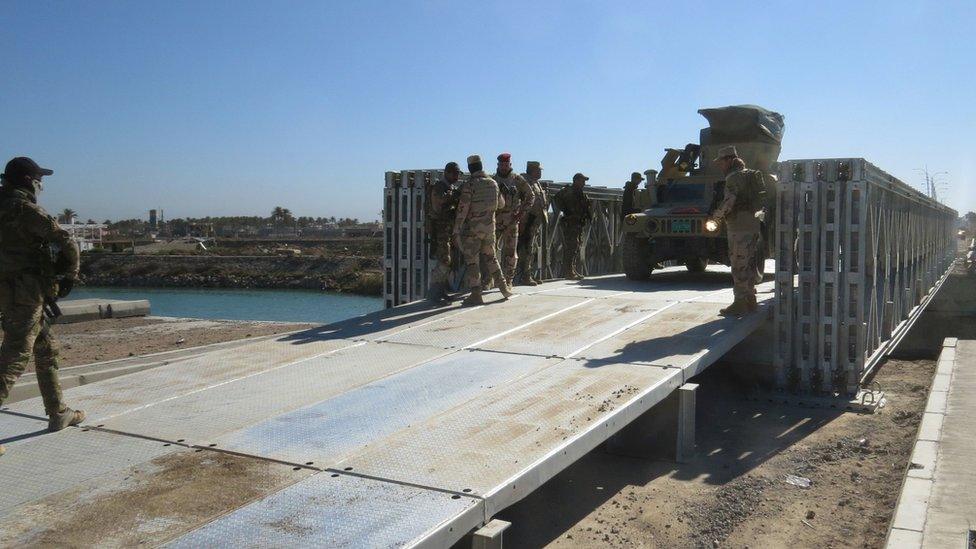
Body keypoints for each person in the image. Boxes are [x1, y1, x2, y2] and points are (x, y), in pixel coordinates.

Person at [0, 157, 85, 457]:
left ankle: (57, 411)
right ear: (28, 181)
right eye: (39, 180)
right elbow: (66, 241)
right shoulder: (25, 209)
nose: (41, 185)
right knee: (16, 353)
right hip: (26, 292)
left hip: (7, 290)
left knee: (45, 347)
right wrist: (70, 275)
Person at [708, 145, 764, 315]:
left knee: (739, 265)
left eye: (721, 162)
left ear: (729, 160)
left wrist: (716, 217)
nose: (720, 165)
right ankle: (750, 300)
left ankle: (740, 303)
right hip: (753, 225)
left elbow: (729, 201)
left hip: (739, 227)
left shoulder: (733, 177)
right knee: (749, 263)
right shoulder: (750, 175)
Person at [453, 155, 513, 306]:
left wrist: (456, 230)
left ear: (470, 168)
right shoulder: (493, 183)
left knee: (472, 261)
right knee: (491, 258)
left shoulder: (470, 185)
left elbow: (462, 210)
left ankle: (476, 294)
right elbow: (501, 204)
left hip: (473, 230)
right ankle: (504, 288)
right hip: (489, 228)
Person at [493, 153, 534, 288]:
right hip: (495, 221)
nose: (504, 167)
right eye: (502, 165)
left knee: (511, 253)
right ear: (498, 165)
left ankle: (508, 280)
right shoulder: (493, 181)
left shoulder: (517, 180)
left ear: (510, 165)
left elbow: (530, 196)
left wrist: (522, 213)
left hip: (512, 221)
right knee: (490, 252)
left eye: (506, 165)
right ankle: (490, 280)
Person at [426, 162, 461, 303]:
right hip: (440, 230)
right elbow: (439, 204)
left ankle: (440, 291)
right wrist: (456, 195)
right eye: (454, 173)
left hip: (447, 230)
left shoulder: (449, 187)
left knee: (448, 261)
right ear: (447, 173)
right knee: (444, 261)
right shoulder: (440, 187)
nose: (457, 176)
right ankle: (434, 293)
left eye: (458, 173)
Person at [552, 173, 592, 280]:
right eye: (582, 181)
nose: (584, 183)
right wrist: (567, 211)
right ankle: (568, 271)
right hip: (571, 223)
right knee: (571, 247)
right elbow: (557, 199)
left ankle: (572, 269)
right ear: (576, 181)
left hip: (578, 223)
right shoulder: (568, 190)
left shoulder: (580, 193)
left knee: (576, 247)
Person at [516, 160, 547, 285]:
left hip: (534, 222)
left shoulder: (536, 183)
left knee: (530, 249)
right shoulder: (524, 182)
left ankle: (527, 275)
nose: (540, 172)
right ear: (532, 170)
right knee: (524, 249)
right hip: (525, 221)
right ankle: (523, 276)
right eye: (538, 170)